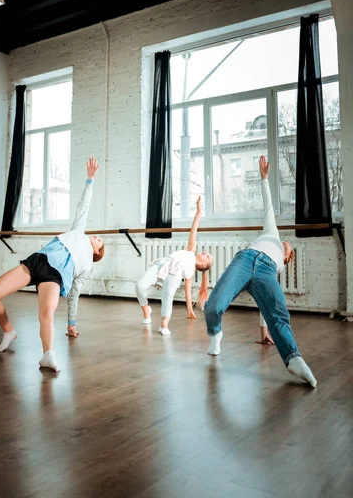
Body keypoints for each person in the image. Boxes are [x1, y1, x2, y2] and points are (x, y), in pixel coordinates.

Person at [202, 155, 317, 388]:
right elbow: (269, 208)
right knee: (213, 306)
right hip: (245, 259)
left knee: (280, 313)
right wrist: (264, 179)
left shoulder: (276, 269)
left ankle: (293, 358)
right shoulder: (272, 235)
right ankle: (215, 334)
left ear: (286, 258)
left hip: (265, 269)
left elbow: (267, 308)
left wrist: (264, 331)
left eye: (290, 248)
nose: (287, 242)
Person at [0, 158, 104, 372]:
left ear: (96, 252)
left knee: (46, 313)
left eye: (100, 241)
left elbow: (75, 293)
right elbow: (83, 206)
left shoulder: (87, 264)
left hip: (53, 277)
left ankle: (48, 355)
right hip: (36, 261)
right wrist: (90, 179)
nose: (97, 237)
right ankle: (9, 330)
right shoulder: (78, 232)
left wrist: (72, 323)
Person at [135, 196, 213, 335]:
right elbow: (193, 230)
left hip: (174, 273)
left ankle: (164, 324)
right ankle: (146, 309)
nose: (205, 253)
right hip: (162, 264)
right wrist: (199, 212)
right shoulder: (190, 250)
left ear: (202, 264)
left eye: (207, 257)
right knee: (139, 286)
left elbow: (188, 293)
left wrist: (189, 309)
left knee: (168, 295)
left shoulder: (189, 272)